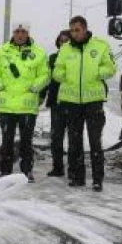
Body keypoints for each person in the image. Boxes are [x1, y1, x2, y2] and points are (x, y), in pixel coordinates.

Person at [53, 15, 117, 191]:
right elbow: (57, 69)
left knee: (95, 141)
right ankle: (76, 177)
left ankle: (97, 179)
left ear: (85, 29)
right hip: (72, 102)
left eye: (77, 30)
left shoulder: (100, 46)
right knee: (74, 142)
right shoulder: (65, 49)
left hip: (93, 102)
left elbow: (111, 68)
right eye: (72, 30)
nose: (74, 34)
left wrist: (97, 72)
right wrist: (61, 75)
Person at [0, 22, 49, 182]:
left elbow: (45, 74)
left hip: (27, 106)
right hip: (6, 105)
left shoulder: (39, 53)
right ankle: (5, 171)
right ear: (13, 33)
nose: (20, 34)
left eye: (23, 31)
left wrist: (35, 88)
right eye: (17, 31)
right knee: (6, 141)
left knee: (26, 142)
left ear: (28, 33)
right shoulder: (1, 51)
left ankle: (26, 171)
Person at [39, 29, 71, 177]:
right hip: (56, 103)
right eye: (61, 40)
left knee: (73, 137)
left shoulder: (76, 57)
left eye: (67, 40)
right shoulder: (52, 58)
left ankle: (74, 168)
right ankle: (57, 167)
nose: (63, 43)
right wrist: (41, 96)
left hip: (73, 103)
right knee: (56, 137)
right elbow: (46, 79)